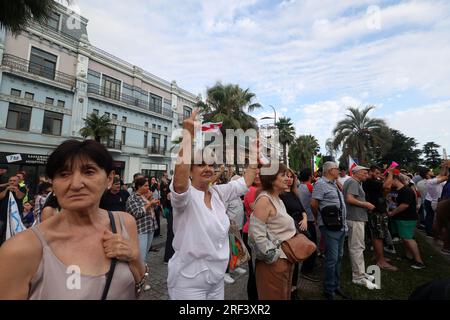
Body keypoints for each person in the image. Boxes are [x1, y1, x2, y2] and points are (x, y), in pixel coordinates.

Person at [0, 139, 146, 299]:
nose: (76, 184)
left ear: (109, 179)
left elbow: (137, 287)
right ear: (53, 183)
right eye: (64, 174)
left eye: (89, 172)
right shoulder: (20, 250)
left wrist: (134, 258)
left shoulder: (125, 223)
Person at [168, 109, 257, 300]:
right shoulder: (185, 196)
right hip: (188, 282)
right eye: (201, 164)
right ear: (190, 171)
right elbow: (179, 183)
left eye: (211, 164)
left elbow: (245, 182)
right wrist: (188, 136)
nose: (208, 168)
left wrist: (254, 157)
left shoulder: (218, 193)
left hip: (216, 280)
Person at [249, 163, 297, 300]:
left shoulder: (277, 199)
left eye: (288, 175)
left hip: (284, 261)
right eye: (283, 175)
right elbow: (255, 236)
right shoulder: (264, 200)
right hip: (273, 265)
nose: (288, 179)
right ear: (271, 179)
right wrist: (275, 257)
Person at [311, 162, 351, 300]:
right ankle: (329, 290)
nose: (339, 171)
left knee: (339, 257)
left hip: (340, 226)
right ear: (329, 170)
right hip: (330, 227)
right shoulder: (320, 183)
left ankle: (335, 285)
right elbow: (314, 204)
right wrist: (318, 219)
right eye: (336, 169)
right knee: (332, 259)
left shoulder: (334, 183)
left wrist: (337, 181)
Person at [343, 165, 379, 289]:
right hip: (355, 218)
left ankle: (361, 273)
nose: (366, 175)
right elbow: (349, 199)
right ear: (356, 173)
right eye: (364, 173)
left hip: (356, 217)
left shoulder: (353, 182)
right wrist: (366, 204)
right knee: (357, 248)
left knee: (358, 246)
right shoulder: (353, 182)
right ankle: (358, 277)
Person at [279, 168, 310, 299]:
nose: (289, 179)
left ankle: (293, 288)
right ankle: (285, 291)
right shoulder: (279, 196)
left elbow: (302, 209)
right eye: (286, 176)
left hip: (299, 229)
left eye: (291, 177)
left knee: (296, 259)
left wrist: (305, 219)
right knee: (287, 260)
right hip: (287, 231)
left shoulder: (294, 193)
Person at [362, 165, 398, 271]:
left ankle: (377, 256)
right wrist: (390, 173)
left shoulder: (371, 182)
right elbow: (387, 187)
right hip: (377, 212)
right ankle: (381, 262)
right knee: (379, 236)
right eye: (377, 173)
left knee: (376, 235)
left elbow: (383, 190)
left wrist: (384, 177)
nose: (379, 175)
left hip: (375, 211)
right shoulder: (371, 182)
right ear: (371, 172)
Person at [388, 174, 425, 269]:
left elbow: (404, 205)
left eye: (390, 179)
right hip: (399, 217)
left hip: (407, 218)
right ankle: (409, 256)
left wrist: (392, 213)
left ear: (396, 179)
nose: (388, 181)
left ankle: (419, 261)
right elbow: (392, 202)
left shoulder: (406, 190)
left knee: (408, 238)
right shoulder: (394, 190)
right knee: (404, 238)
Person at [126, 177, 159, 268]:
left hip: (150, 228)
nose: (148, 187)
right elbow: (137, 213)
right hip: (140, 230)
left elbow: (153, 209)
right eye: (146, 186)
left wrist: (153, 204)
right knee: (140, 257)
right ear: (139, 186)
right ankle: (138, 278)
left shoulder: (145, 196)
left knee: (144, 256)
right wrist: (149, 204)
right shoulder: (132, 198)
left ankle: (141, 276)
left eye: (148, 185)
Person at [224, 174, 247, 284]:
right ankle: (226, 272)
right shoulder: (227, 197)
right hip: (230, 228)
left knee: (236, 248)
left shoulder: (238, 196)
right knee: (229, 250)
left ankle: (235, 266)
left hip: (239, 227)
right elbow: (222, 212)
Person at [297, 168, 319, 282]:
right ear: (310, 176)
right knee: (312, 244)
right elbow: (315, 202)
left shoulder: (299, 187)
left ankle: (307, 266)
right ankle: (307, 269)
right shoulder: (310, 187)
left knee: (307, 242)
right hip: (309, 219)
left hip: (302, 218)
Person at [243, 168, 261, 301]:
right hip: (250, 232)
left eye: (260, 174)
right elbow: (260, 213)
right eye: (255, 174)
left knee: (258, 270)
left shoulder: (260, 191)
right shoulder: (251, 190)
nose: (258, 176)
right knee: (254, 271)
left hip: (256, 232)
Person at [424, 163, 448, 238]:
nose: (432, 171)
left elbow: (441, 175)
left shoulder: (431, 180)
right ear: (427, 174)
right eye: (430, 171)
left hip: (431, 200)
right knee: (438, 219)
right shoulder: (431, 181)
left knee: (430, 217)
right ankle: (435, 234)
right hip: (436, 201)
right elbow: (446, 177)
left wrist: (444, 167)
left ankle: (431, 232)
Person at [0, 175, 26, 245]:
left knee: (15, 232)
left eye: (14, 181)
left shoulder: (22, 188)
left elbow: (20, 197)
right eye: (10, 181)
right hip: (3, 214)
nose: (12, 182)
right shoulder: (4, 188)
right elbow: (0, 197)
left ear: (18, 182)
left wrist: (16, 189)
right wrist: (6, 190)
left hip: (16, 214)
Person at [160, 171, 175, 264]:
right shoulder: (171, 191)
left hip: (173, 213)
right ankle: (168, 257)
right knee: (171, 235)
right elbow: (169, 202)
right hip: (172, 213)